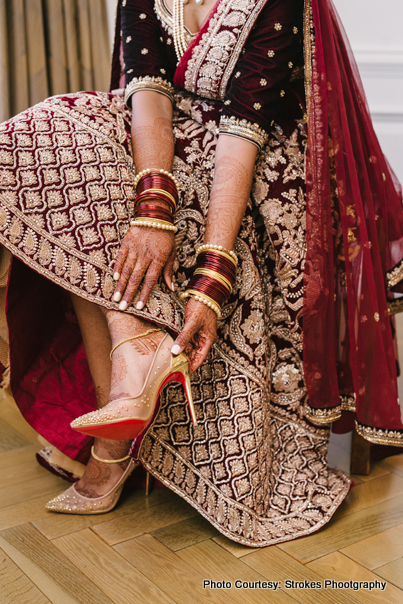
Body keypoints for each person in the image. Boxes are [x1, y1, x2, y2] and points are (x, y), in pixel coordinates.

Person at [0, 0, 402, 547]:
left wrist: (213, 274)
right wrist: (153, 204)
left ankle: (116, 439)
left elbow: (245, 130)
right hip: (168, 139)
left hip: (259, 159)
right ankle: (132, 355)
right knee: (53, 133)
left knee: (103, 200)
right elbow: (148, 97)